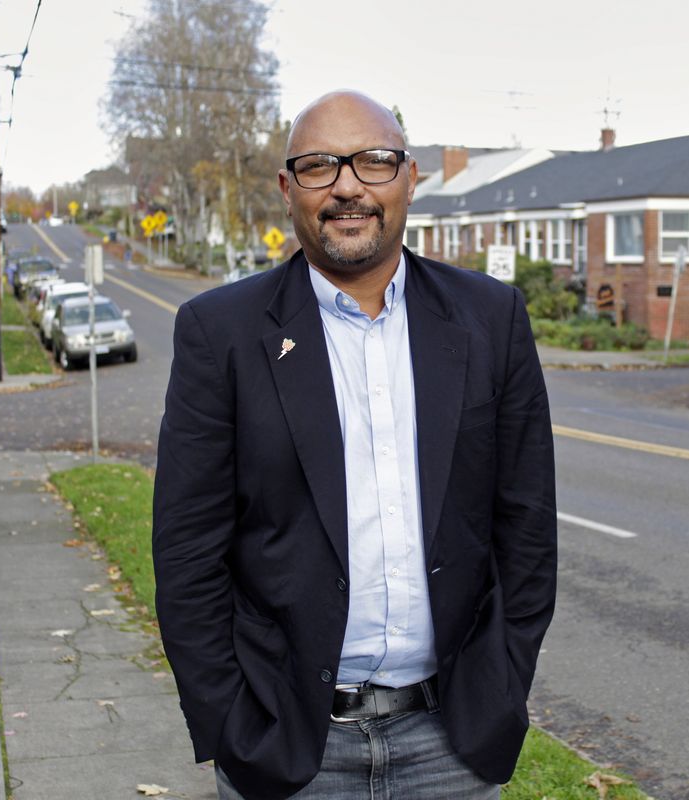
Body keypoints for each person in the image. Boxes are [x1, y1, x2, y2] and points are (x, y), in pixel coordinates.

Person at [153, 90, 557, 800]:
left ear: (410, 178)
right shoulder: (220, 333)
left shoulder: (491, 319)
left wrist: (504, 682)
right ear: (288, 189)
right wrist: (233, 726)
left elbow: (526, 529)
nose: (347, 186)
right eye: (319, 166)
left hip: (451, 743)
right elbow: (188, 554)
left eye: (373, 162)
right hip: (289, 748)